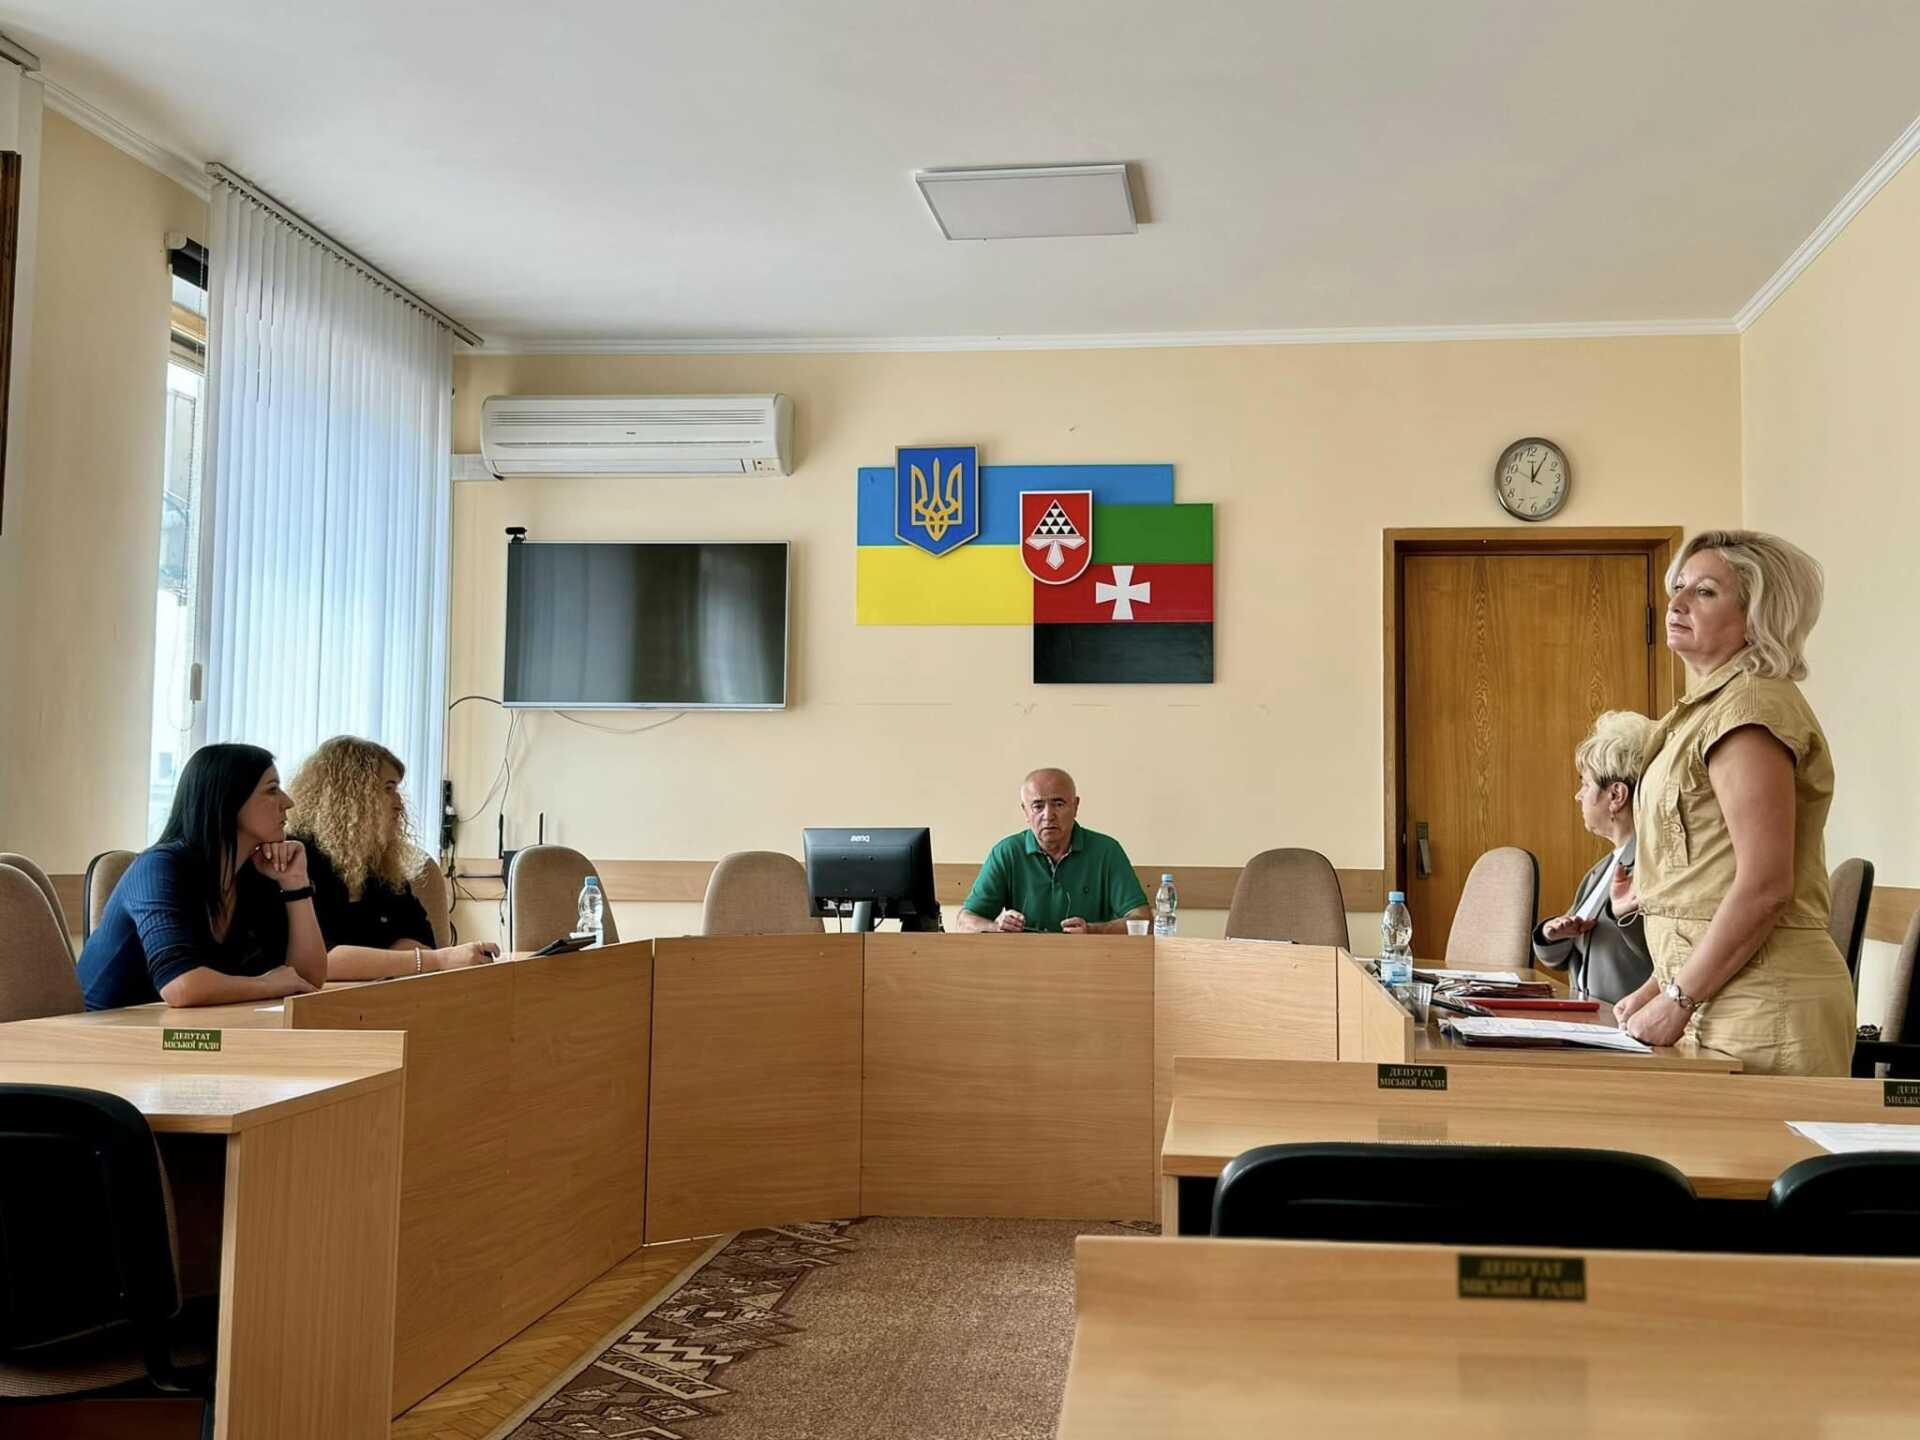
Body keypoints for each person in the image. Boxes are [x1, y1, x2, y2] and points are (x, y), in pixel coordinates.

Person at [1612, 530, 1854, 1075]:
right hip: (1719, 992)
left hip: (1764, 1005)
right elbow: (1705, 880)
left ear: (1757, 616)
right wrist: (1658, 986)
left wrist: (1678, 998)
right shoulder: (1708, 708)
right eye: (1678, 587)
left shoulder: (1749, 709)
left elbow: (1765, 886)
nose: (1676, 603)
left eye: (1704, 592)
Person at [77, 744, 328, 1009]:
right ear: (227, 800)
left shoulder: (253, 872)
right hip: (100, 1029)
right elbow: (181, 987)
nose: (288, 802)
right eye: (272, 789)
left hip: (180, 1027)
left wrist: (295, 884)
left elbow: (305, 979)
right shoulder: (158, 867)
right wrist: (268, 984)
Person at [286, 736, 498, 979]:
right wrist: (434, 960)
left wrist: (382, 961)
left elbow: (422, 940)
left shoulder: (379, 864)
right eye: (388, 789)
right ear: (351, 795)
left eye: (397, 790)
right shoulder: (297, 857)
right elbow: (321, 962)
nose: (399, 804)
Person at [1531, 710, 1656, 1005]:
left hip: (1628, 1019)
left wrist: (1624, 916)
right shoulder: (1600, 871)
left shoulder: (1650, 865)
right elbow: (1564, 956)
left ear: (1616, 796)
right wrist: (1551, 934)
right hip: (1588, 1016)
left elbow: (1661, 953)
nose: (1579, 795)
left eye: (1585, 784)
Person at [955, 768, 1150, 934]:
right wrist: (996, 927)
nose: (1048, 815)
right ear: (1025, 811)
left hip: (1091, 959)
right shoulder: (1007, 852)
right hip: (1024, 961)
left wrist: (1092, 930)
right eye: (1038, 806)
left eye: (1058, 804)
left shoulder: (1106, 851)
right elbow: (964, 921)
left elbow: (1143, 921)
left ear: (1075, 806)